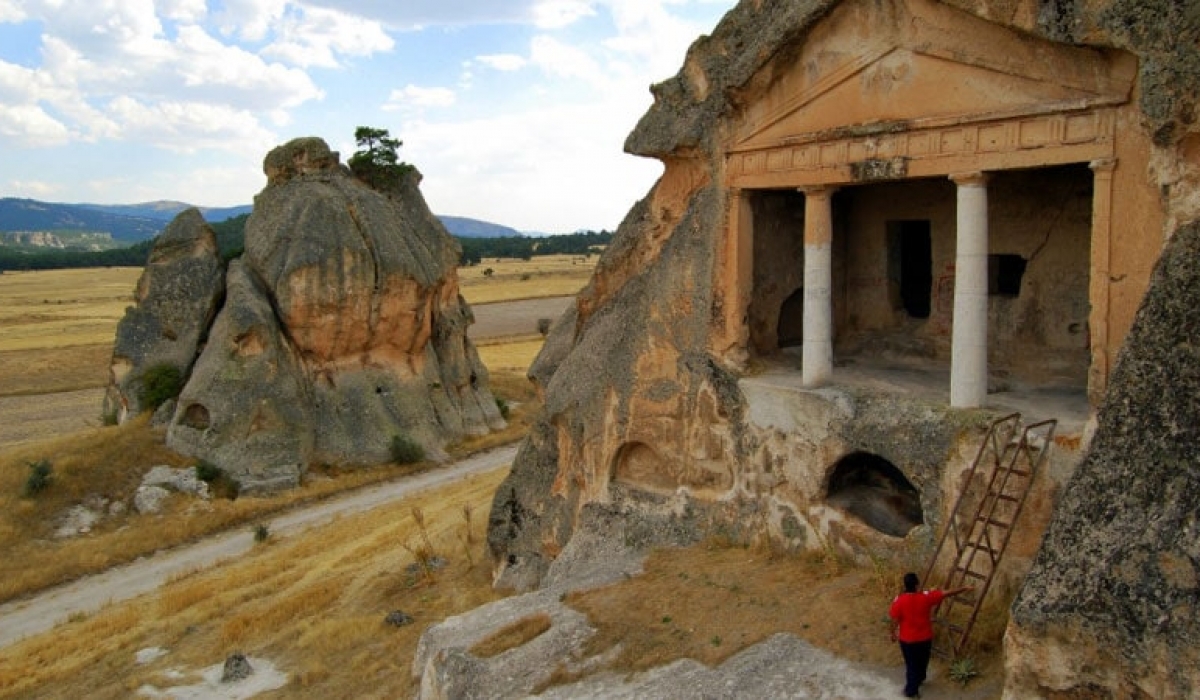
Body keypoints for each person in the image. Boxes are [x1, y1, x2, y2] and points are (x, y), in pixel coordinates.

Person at [888, 572, 973, 698]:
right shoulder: (926, 597)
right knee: (922, 662)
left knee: (911, 665)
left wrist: (892, 633)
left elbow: (894, 620)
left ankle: (912, 689)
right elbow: (946, 593)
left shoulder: (899, 601)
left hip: (907, 640)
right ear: (917, 585)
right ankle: (914, 688)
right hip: (924, 639)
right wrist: (964, 588)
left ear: (905, 585)